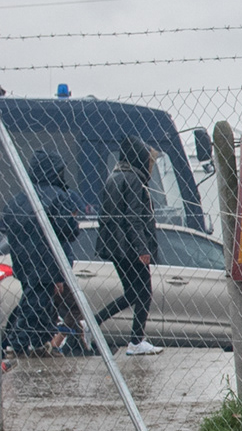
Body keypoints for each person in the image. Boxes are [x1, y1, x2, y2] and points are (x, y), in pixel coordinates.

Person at [2, 152, 79, 356]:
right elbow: (69, 230)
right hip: (47, 259)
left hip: (23, 258)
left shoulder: (22, 197)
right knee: (36, 302)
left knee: (38, 301)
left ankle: (38, 343)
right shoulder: (58, 196)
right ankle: (17, 344)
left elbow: (5, 222)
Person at [94, 139, 163, 355]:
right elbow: (134, 217)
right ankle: (136, 341)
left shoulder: (113, 177)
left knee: (133, 293)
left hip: (116, 246)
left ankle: (93, 323)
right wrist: (143, 248)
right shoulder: (134, 179)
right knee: (144, 292)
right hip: (132, 247)